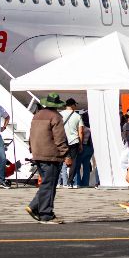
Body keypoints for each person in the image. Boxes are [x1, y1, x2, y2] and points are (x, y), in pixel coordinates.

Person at [26, 93, 70, 224]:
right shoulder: (56, 117)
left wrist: (32, 149)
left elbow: (31, 136)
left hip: (38, 153)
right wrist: (66, 154)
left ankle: (35, 206)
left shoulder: (37, 115)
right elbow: (59, 139)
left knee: (46, 183)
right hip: (51, 155)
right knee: (49, 184)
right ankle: (45, 213)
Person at [59, 98, 83, 187]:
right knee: (74, 162)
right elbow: (80, 131)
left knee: (61, 161)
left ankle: (60, 182)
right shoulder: (77, 116)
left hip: (62, 141)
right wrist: (80, 144)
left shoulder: (60, 115)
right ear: (72, 105)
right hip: (74, 141)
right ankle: (70, 182)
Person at [73, 112, 94, 188]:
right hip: (90, 148)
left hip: (83, 147)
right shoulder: (92, 127)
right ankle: (85, 183)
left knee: (77, 166)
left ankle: (77, 182)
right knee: (86, 167)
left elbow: (80, 134)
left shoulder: (82, 127)